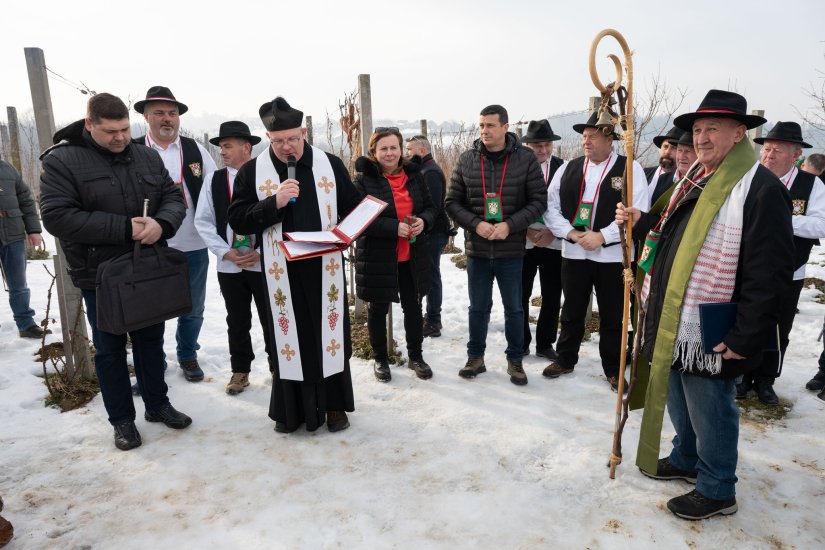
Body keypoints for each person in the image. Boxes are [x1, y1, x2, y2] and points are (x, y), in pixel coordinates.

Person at [618, 90, 793, 520]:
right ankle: (686, 457)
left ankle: (717, 488)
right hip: (676, 311)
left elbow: (768, 273)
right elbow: (673, 237)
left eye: (713, 128)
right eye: (697, 129)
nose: (701, 137)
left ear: (739, 134)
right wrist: (640, 225)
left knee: (710, 403)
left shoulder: (759, 189)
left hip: (714, 323)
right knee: (677, 387)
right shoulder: (696, 177)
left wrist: (744, 336)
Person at [39, 93, 191, 451]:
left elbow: (174, 197)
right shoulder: (63, 160)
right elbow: (58, 217)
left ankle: (157, 404)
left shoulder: (146, 155)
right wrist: (126, 228)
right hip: (100, 273)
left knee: (151, 341)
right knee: (109, 349)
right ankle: (122, 420)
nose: (120, 138)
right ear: (89, 124)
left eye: (124, 129)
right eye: (110, 131)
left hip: (147, 266)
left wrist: (161, 223)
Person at [228, 97, 362, 433]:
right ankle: (292, 411)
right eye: (278, 141)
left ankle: (334, 407)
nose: (287, 147)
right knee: (290, 341)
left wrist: (349, 231)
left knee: (328, 336)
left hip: (324, 268)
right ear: (268, 138)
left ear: (304, 132)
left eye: (293, 139)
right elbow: (238, 220)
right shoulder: (251, 172)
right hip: (279, 274)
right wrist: (274, 202)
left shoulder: (329, 164)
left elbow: (353, 207)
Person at [544, 111, 649, 391]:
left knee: (614, 314)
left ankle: (613, 368)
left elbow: (637, 212)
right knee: (572, 309)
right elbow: (550, 206)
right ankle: (565, 358)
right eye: (584, 136)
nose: (586, 141)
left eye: (592, 135)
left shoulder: (630, 169)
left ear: (609, 137)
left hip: (611, 255)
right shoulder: (568, 167)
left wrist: (603, 236)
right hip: (574, 251)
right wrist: (571, 233)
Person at [444, 104, 546, 386]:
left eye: (490, 125)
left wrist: (509, 225)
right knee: (478, 307)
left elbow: (538, 200)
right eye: (481, 126)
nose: (484, 131)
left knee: (515, 308)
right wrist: (476, 224)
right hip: (477, 249)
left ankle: (515, 360)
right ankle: (475, 357)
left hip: (510, 249)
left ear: (505, 127)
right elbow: (452, 202)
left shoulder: (525, 159)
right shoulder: (467, 160)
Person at [133, 86, 217, 383]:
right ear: (146, 116)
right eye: (159, 113)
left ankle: (187, 354)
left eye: (172, 113)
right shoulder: (133, 151)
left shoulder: (196, 151)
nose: (167, 119)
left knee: (193, 306)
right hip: (149, 244)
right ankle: (152, 361)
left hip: (193, 243)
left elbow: (214, 190)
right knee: (148, 309)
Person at [738, 122, 825, 403]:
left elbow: (820, 225)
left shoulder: (812, 185)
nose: (769, 155)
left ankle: (766, 380)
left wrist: (784, 219)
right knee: (748, 321)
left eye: (778, 150)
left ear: (796, 154)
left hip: (789, 272)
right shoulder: (749, 178)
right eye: (767, 149)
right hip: (748, 269)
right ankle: (742, 376)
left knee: (779, 328)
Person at [194, 121, 274, 395]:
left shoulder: (267, 178)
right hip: (230, 265)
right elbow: (202, 221)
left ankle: (279, 367)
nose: (222, 152)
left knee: (271, 316)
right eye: (220, 147)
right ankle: (240, 370)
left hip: (263, 263)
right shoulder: (214, 180)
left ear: (246, 147)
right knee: (236, 320)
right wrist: (224, 252)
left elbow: (280, 222)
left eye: (227, 146)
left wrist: (261, 251)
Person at [354, 128, 436, 382]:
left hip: (412, 254)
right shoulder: (363, 181)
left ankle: (416, 356)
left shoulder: (414, 176)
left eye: (394, 148)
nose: (389, 153)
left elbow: (432, 208)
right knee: (378, 308)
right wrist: (393, 227)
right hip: (378, 256)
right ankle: (380, 359)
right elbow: (358, 221)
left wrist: (423, 220)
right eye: (383, 149)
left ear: (401, 150)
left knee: (413, 306)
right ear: (374, 153)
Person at [520, 120, 564, 360]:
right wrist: (525, 230)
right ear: (528, 145)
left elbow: (569, 204)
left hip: (552, 242)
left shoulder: (563, 168)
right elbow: (510, 204)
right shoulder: (518, 167)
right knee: (521, 294)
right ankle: (522, 341)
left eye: (547, 145)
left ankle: (545, 343)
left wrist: (552, 233)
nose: (543, 150)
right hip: (524, 241)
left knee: (552, 294)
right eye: (538, 145)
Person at [405, 134, 450, 338]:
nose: (406, 153)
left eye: (409, 150)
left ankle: (434, 320)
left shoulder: (430, 172)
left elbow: (433, 206)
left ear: (422, 151)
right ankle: (430, 317)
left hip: (434, 231)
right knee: (426, 274)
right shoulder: (422, 169)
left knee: (431, 275)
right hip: (426, 231)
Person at [0, 158, 50, 338]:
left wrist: (34, 230)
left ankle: (26, 325)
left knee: (19, 285)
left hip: (12, 235)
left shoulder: (7, 168)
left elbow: (26, 201)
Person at [649, 131, 698, 207]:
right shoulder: (662, 179)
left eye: (688, 151)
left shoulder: (702, 182)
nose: (682, 156)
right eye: (679, 150)